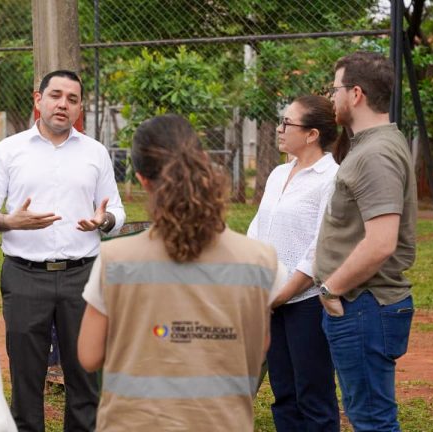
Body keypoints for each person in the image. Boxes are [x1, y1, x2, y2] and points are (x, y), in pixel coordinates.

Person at [77, 114, 281, 431]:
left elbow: (89, 355)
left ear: (142, 180)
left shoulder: (115, 260)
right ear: (202, 162)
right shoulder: (260, 260)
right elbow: (257, 351)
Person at [0, 69, 125, 431]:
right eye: (56, 95)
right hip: (25, 276)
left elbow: (117, 211)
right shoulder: (8, 151)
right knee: (26, 380)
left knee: (85, 377)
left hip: (83, 277)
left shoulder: (95, 153)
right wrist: (9, 221)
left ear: (80, 108)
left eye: (72, 99)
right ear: (38, 99)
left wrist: (104, 220)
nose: (63, 104)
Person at [316, 51, 417, 431]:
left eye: (335, 89)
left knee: (372, 420)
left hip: (363, 305)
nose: (331, 97)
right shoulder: (370, 145)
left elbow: (381, 243)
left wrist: (331, 290)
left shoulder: (376, 154)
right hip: (361, 305)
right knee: (366, 415)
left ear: (355, 94)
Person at [247, 95, 341, 431]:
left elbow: (320, 247)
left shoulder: (332, 179)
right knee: (283, 393)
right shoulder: (278, 173)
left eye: (288, 122)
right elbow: (258, 229)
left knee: (313, 396)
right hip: (270, 300)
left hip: (307, 302)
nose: (280, 128)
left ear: (312, 134)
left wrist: (284, 294)